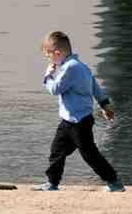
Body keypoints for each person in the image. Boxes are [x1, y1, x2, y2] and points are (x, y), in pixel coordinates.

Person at [34, 31, 125, 192]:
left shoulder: (70, 69)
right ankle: (52, 183)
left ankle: (114, 182)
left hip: (79, 122)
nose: (49, 60)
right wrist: (105, 105)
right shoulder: (82, 67)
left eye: (49, 57)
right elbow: (96, 89)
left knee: (90, 154)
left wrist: (48, 75)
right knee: (57, 151)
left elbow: (55, 89)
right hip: (69, 120)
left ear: (57, 53)